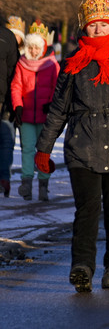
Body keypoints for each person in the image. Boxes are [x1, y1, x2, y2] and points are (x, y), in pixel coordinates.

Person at [35, 0, 109, 292]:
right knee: (86, 210)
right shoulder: (73, 64)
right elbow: (59, 109)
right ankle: (82, 266)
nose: (98, 30)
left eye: (103, 24)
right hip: (82, 146)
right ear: (83, 28)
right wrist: (44, 148)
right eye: (92, 25)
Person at [11, 21, 59, 201]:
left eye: (36, 48)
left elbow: (57, 87)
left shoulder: (52, 64)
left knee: (44, 149)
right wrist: (18, 106)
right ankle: (27, 182)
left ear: (42, 47)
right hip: (26, 115)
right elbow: (16, 86)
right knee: (27, 149)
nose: (32, 51)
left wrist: (51, 104)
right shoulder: (22, 64)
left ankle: (44, 184)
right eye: (30, 47)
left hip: (45, 115)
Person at [0, 19, 20, 198]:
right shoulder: (7, 36)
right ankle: (4, 179)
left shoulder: (7, 37)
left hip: (5, 100)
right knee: (6, 142)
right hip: (5, 100)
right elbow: (15, 71)